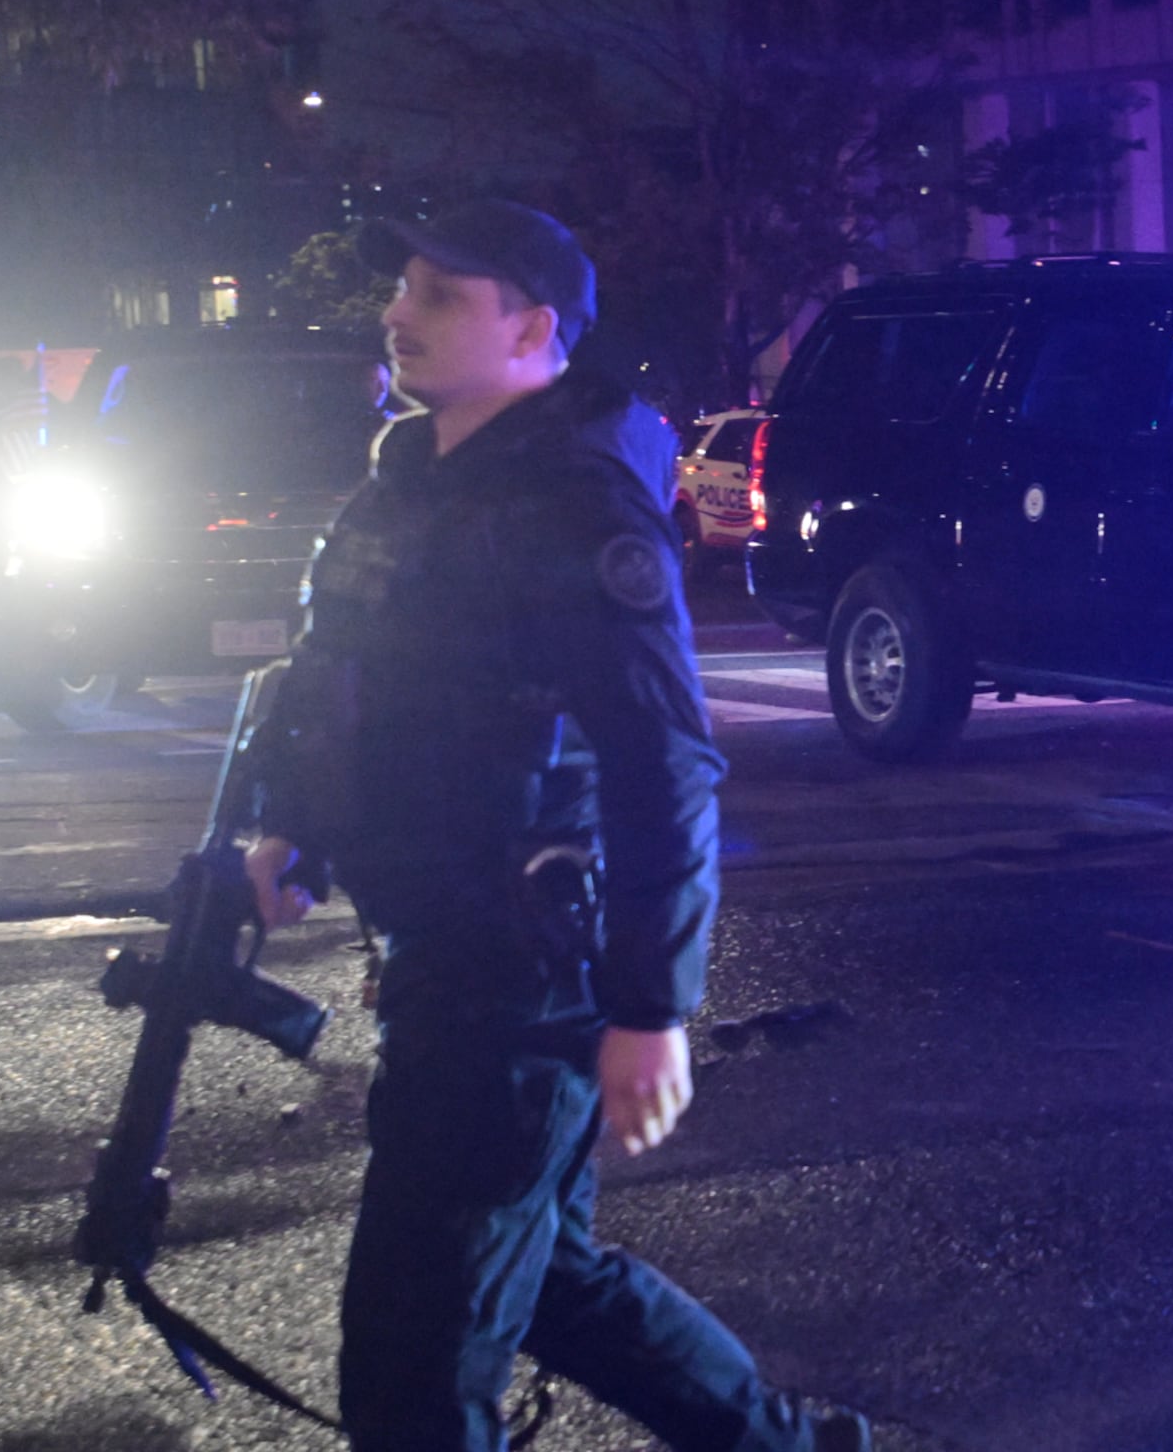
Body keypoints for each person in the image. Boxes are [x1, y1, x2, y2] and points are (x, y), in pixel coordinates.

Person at [241, 199, 865, 1452]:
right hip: (440, 953)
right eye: (405, 289)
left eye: (440, 296)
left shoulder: (576, 508)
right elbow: (341, 676)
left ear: (532, 331)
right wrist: (290, 827)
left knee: (415, 1357)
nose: (400, 314)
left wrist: (649, 1008)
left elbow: (664, 761)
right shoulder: (411, 480)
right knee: (548, 1281)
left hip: (523, 980)